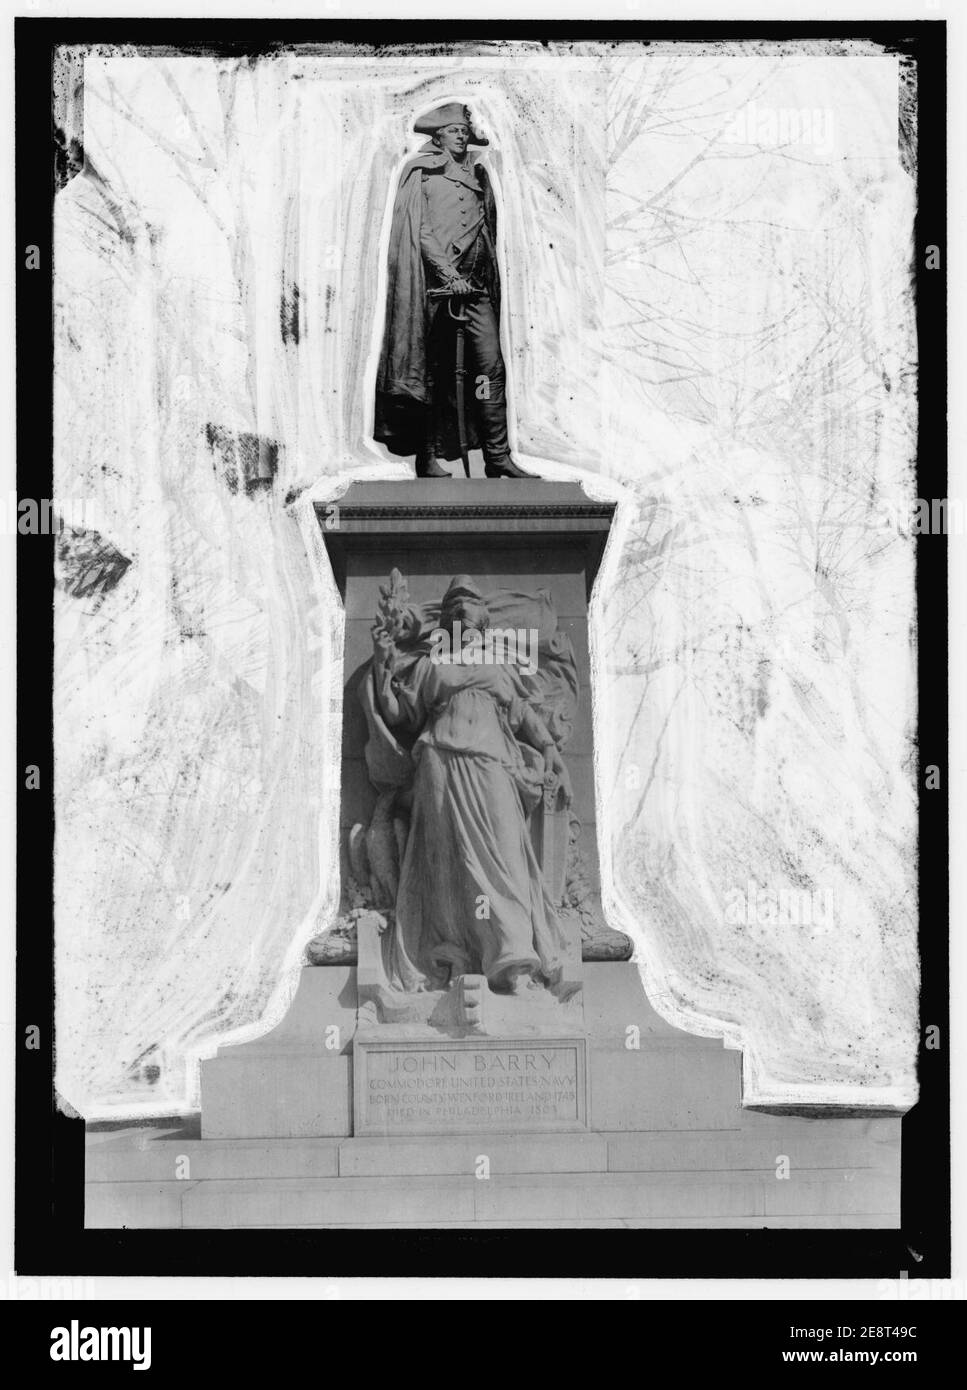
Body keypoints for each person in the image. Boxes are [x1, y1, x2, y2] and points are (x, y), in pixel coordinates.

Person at [371, 576, 572, 995]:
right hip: (438, 761)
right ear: (446, 621)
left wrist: (550, 748)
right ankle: (453, 957)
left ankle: (514, 958)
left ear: (483, 618)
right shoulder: (429, 666)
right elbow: (396, 714)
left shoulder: (497, 666)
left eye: (470, 603)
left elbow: (523, 716)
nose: (461, 608)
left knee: (503, 856)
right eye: (454, 605)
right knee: (444, 861)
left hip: (491, 764)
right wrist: (383, 660)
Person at [374, 102, 529, 479]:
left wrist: (473, 276)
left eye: (464, 130)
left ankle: (497, 457)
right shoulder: (422, 173)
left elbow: (487, 230)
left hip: (474, 289)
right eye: (454, 131)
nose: (461, 136)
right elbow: (420, 230)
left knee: (488, 370)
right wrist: (446, 274)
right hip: (433, 291)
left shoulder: (478, 174)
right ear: (438, 135)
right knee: (431, 374)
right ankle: (426, 458)